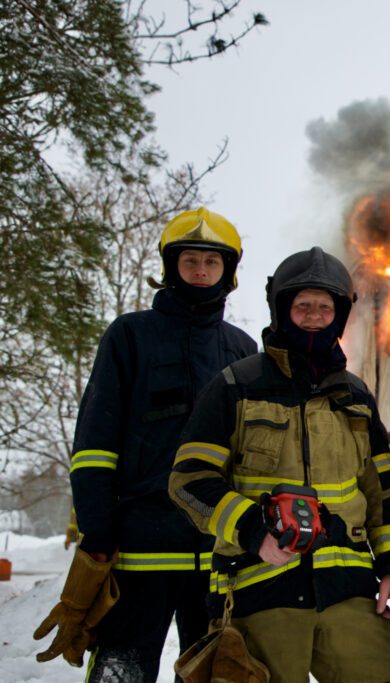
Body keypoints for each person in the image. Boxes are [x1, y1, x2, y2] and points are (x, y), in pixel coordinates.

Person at [168, 247, 390, 683]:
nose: (315, 316)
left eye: (325, 307)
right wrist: (253, 531)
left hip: (349, 594)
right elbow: (189, 481)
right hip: (259, 590)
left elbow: (384, 495)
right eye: (303, 306)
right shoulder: (236, 387)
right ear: (282, 309)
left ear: (339, 315)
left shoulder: (355, 398)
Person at [34, 208, 257, 680]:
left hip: (217, 550)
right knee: (122, 670)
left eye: (212, 262)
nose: (201, 271)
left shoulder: (241, 349)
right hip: (140, 548)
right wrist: (98, 531)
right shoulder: (130, 336)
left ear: (228, 272)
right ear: (170, 266)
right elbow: (95, 442)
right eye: (190, 260)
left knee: (212, 672)